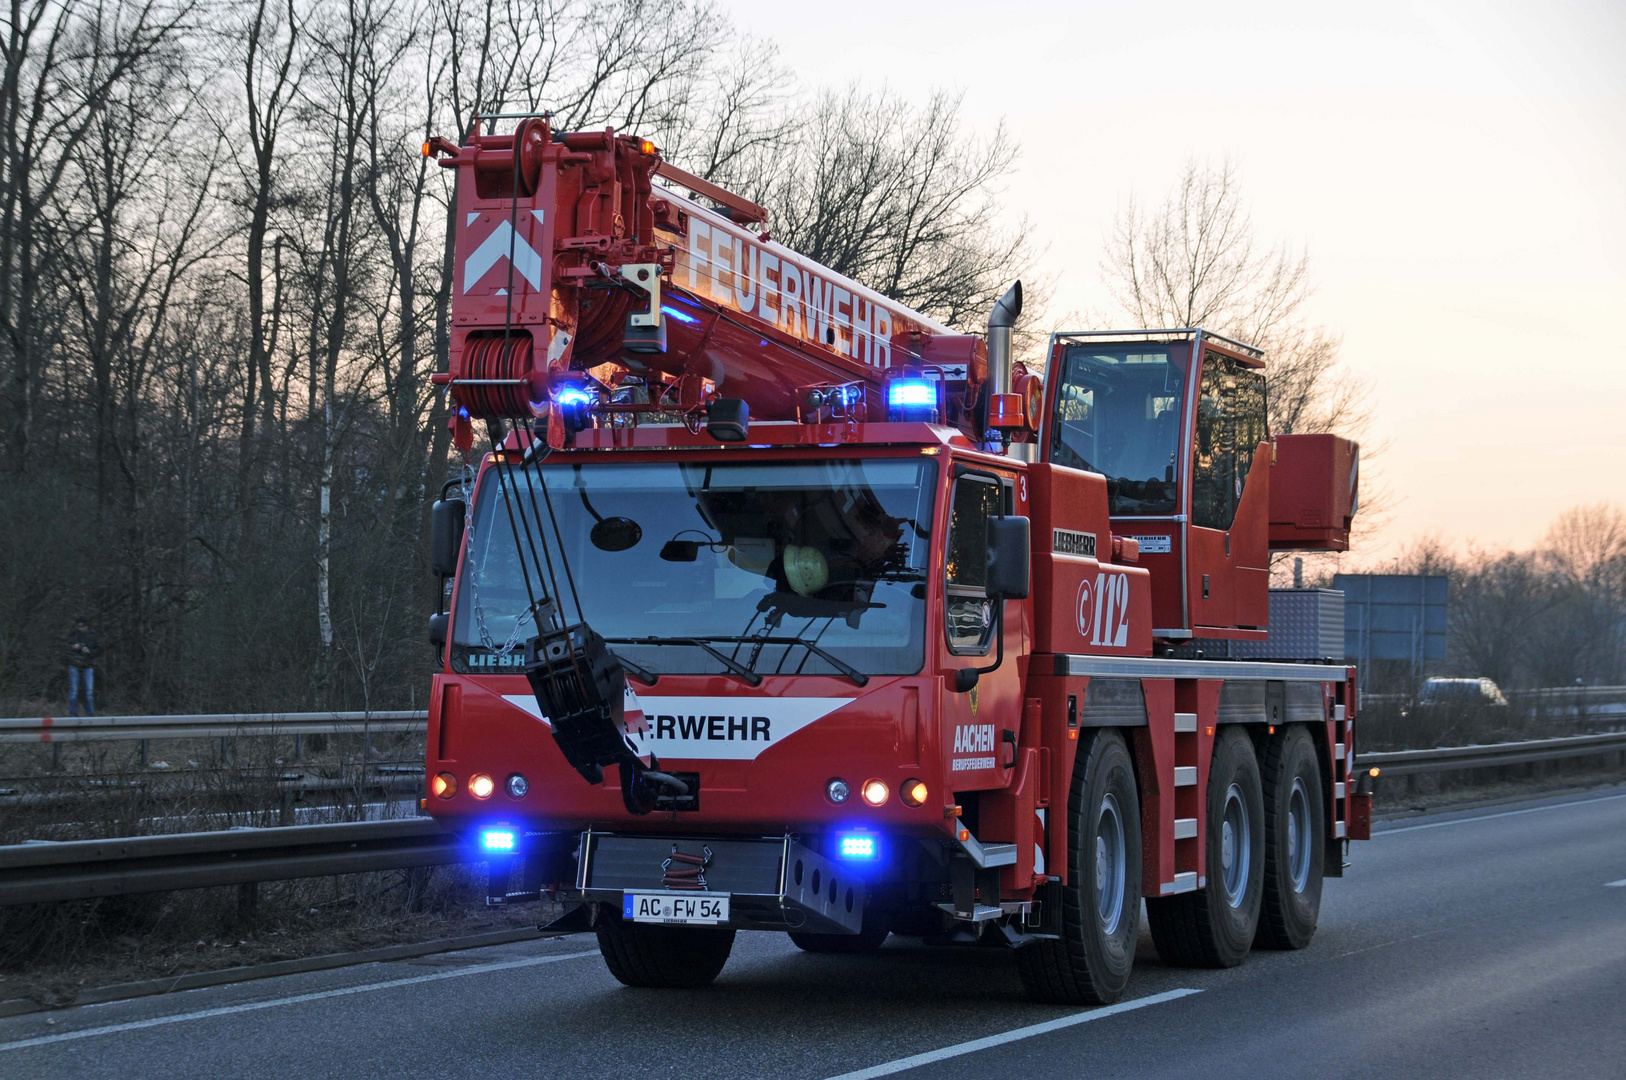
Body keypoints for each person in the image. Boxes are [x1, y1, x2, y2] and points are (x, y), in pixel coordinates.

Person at [68, 617, 102, 717]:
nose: (81, 628)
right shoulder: (72, 636)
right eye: (79, 626)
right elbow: (63, 648)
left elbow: (99, 649)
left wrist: (90, 652)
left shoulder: (93, 636)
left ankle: (90, 715)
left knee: (89, 692)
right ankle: (73, 715)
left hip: (88, 665)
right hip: (74, 664)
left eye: (83, 626)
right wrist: (72, 648)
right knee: (73, 692)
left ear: (87, 626)